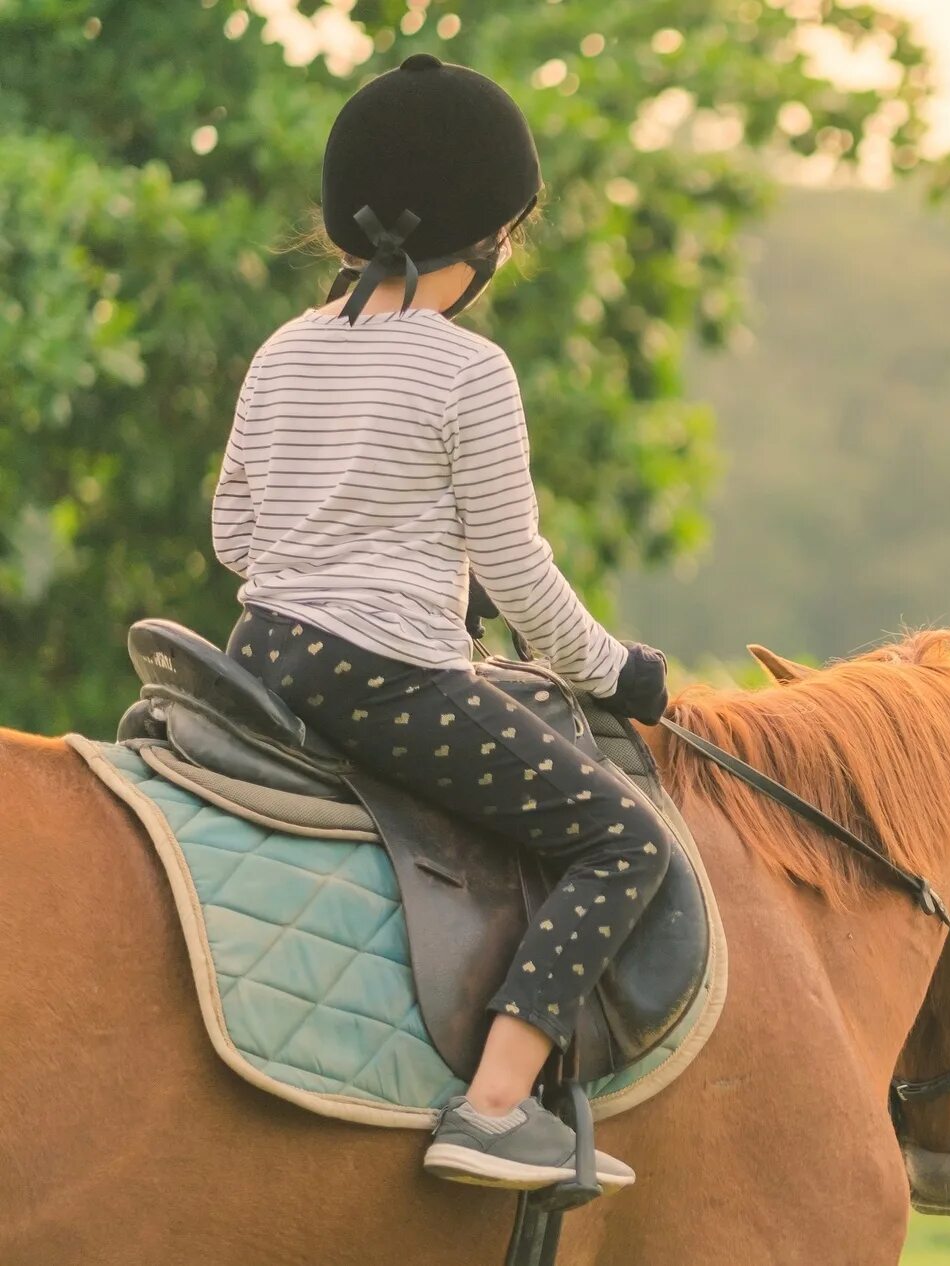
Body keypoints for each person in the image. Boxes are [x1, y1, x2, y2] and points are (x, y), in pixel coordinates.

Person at [211, 55, 673, 1192]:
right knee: (625, 840)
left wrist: (367, 561)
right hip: (384, 676)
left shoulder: (284, 348)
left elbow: (233, 534)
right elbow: (519, 570)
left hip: (260, 654)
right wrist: (616, 673)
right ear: (494, 235)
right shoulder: (470, 371)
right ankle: (496, 1105)